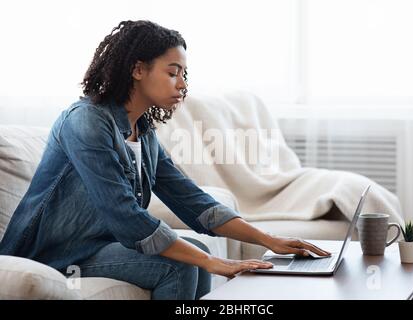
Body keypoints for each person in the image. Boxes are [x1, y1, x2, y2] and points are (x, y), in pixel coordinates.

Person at [0, 20, 330, 300]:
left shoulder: (142, 131)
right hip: (54, 253)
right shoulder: (85, 121)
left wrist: (269, 240)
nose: (183, 85)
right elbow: (125, 215)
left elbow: (193, 200)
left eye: (184, 74)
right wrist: (208, 261)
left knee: (192, 251)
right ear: (138, 70)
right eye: (173, 73)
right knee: (185, 261)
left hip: (99, 245)